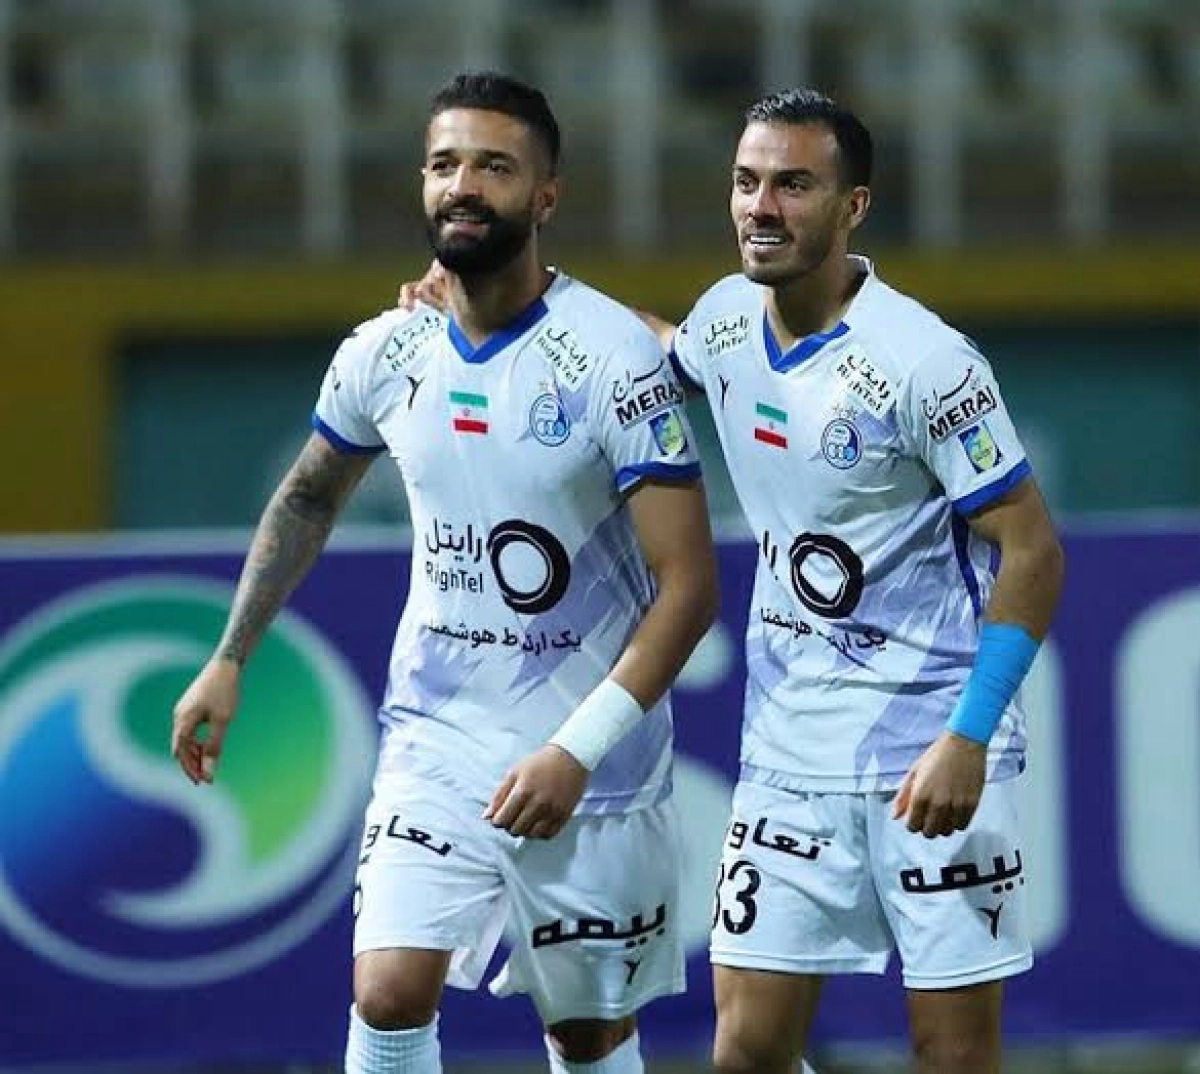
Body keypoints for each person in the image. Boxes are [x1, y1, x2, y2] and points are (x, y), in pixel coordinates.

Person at [402, 87, 1065, 1074]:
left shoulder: (927, 363)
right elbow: (642, 349)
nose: (762, 206)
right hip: (788, 754)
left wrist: (969, 735)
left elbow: (1034, 551)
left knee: (953, 1056)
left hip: (928, 747)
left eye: (794, 185)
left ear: (853, 207)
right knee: (746, 1051)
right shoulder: (723, 322)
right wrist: (476, 288)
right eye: (747, 182)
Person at [171, 71, 719, 1074]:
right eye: (444, 164)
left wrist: (577, 749)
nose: (463, 185)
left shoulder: (614, 359)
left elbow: (688, 588)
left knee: (587, 1033)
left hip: (595, 764)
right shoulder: (387, 350)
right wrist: (230, 656)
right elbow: (308, 498)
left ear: (545, 196)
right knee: (387, 993)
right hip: (438, 736)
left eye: (494, 167)